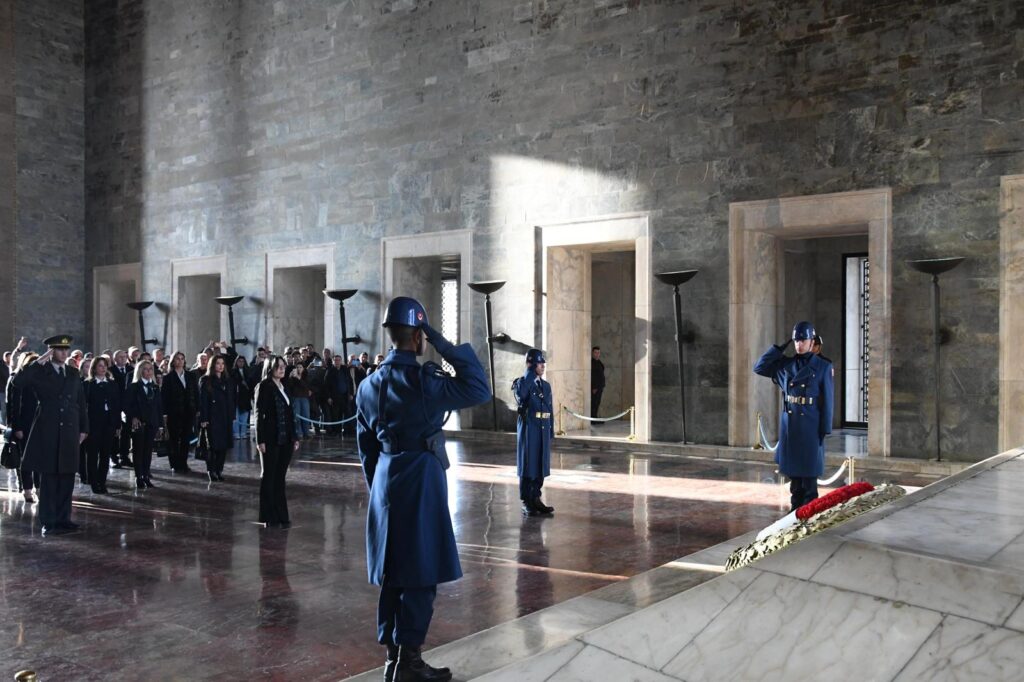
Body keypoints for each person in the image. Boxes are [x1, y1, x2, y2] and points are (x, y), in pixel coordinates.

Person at [356, 296, 490, 682]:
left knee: (393, 573)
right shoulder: (426, 382)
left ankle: (392, 659)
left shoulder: (368, 385)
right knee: (420, 570)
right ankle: (410, 663)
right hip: (421, 479)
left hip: (385, 480)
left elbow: (365, 450)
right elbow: (478, 387)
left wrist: (379, 492)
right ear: (418, 337)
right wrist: (442, 343)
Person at [754, 321, 834, 512]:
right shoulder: (785, 365)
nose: (799, 344)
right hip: (790, 426)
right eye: (796, 340)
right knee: (794, 480)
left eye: (803, 340)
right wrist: (779, 348)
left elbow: (828, 399)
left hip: (810, 425)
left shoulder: (822, 366)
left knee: (809, 477)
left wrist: (825, 429)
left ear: (811, 341)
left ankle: (809, 513)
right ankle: (795, 513)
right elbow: (759, 367)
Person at [13, 335, 88, 536]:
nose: (64, 353)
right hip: (49, 429)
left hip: (70, 430)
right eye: (59, 349)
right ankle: (49, 521)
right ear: (51, 351)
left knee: (67, 477)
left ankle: (64, 519)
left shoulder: (72, 372)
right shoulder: (40, 372)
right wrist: (38, 362)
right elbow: (18, 382)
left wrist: (84, 428)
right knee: (49, 479)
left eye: (66, 349)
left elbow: (80, 402)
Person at [254, 355, 300, 528]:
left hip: (286, 438)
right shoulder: (264, 386)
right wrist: (260, 440)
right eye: (278, 366)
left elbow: (290, 414)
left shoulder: (285, 386)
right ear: (270, 368)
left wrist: (294, 436)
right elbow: (259, 414)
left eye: (283, 366)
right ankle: (268, 516)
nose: (282, 369)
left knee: (280, 477)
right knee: (269, 476)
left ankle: (281, 514)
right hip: (270, 438)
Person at [513, 349, 555, 517]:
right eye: (539, 363)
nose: (543, 366)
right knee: (528, 464)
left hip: (543, 428)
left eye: (543, 363)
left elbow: (549, 409)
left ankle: (536, 498)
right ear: (531, 364)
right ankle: (527, 501)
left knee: (540, 464)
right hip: (530, 429)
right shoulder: (522, 383)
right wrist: (529, 373)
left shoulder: (545, 385)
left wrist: (551, 429)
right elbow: (521, 395)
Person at [83, 356, 121, 494]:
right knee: (93, 455)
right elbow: (84, 407)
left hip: (109, 423)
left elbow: (116, 405)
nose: (103, 368)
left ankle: (102, 481)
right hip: (93, 424)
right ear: (94, 368)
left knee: (105, 454)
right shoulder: (88, 384)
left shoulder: (112, 384)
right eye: (100, 365)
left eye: (105, 365)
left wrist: (117, 425)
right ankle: (93, 482)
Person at [124, 359, 164, 489]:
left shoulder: (155, 387)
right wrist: (133, 417)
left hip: (152, 423)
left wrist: (160, 425)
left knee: (148, 451)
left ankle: (146, 475)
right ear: (140, 371)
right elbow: (127, 405)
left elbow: (159, 407)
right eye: (145, 369)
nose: (148, 372)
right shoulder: (133, 387)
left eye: (150, 369)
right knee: (138, 450)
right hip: (139, 423)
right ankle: (138, 476)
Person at [6, 351, 40, 503]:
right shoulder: (17, 380)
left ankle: (39, 487)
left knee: (40, 457)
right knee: (25, 459)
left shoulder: (41, 381)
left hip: (40, 424)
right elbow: (13, 406)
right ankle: (27, 489)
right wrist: (16, 427)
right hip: (24, 425)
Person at [199, 355, 235, 482]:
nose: (220, 366)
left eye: (222, 363)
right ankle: (211, 470)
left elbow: (231, 400)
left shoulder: (227, 381)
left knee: (223, 446)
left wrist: (232, 416)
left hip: (225, 417)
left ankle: (219, 470)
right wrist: (204, 418)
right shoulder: (206, 380)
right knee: (213, 446)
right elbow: (203, 401)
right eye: (218, 363)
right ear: (212, 365)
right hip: (212, 417)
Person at [162, 351, 198, 473]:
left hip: (189, 411)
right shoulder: (168, 378)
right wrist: (165, 413)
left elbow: (195, 393)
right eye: (177, 359)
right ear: (173, 361)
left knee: (186, 439)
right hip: (174, 412)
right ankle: (175, 463)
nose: (180, 361)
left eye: (182, 358)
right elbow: (165, 397)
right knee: (173, 439)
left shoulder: (190, 376)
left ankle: (183, 462)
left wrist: (197, 408)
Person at [110, 349, 133, 469]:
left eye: (125, 357)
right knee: (115, 432)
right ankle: (113, 457)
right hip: (115, 406)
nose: (123, 359)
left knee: (126, 433)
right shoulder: (111, 371)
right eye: (120, 357)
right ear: (115, 359)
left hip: (128, 406)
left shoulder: (131, 370)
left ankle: (124, 456)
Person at [324, 354, 353, 436]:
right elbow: (326, 385)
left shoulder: (345, 369)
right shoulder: (330, 371)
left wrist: (351, 393)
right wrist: (328, 397)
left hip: (345, 396)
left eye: (338, 360)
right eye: (335, 360)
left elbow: (350, 382)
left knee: (347, 413)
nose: (337, 361)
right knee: (336, 415)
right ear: (333, 361)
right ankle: (337, 431)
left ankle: (347, 431)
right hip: (335, 397)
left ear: (341, 361)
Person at [287, 364, 313, 439]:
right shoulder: (293, 377)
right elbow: (289, 386)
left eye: (300, 367)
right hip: (295, 398)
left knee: (306, 415)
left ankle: (306, 432)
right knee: (296, 416)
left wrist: (298, 378)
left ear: (303, 369)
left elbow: (306, 386)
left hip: (304, 398)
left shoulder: (306, 377)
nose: (299, 369)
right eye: (297, 367)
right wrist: (290, 377)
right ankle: (299, 433)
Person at [232, 355, 253, 440]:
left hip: (245, 397)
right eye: (239, 361)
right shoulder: (233, 372)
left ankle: (243, 432)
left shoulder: (248, 371)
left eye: (242, 361)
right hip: (236, 397)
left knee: (244, 416)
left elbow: (251, 383)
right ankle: (236, 433)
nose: (241, 363)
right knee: (236, 416)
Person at [590, 346, 605, 423]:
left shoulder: (599, 362)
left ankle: (595, 418)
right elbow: (592, 376)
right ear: (593, 353)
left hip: (600, 387)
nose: (597, 354)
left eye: (598, 352)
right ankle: (593, 419)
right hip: (595, 388)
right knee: (594, 404)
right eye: (595, 352)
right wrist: (594, 387)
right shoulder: (591, 363)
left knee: (597, 403)